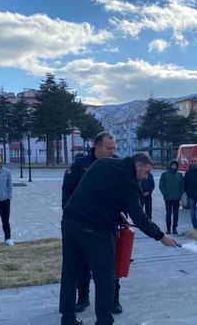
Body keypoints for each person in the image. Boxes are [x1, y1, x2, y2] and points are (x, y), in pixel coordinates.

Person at [59, 153, 179, 325]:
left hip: (70, 222)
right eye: (146, 172)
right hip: (96, 231)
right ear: (138, 166)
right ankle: (104, 321)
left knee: (70, 273)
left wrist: (116, 213)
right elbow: (139, 217)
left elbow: (97, 194)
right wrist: (160, 236)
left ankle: (67, 319)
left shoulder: (103, 164)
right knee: (105, 277)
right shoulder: (129, 181)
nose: (146, 177)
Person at [61, 132, 118, 314]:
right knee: (82, 266)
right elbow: (67, 195)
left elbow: (122, 193)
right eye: (109, 148)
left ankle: (113, 300)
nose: (112, 152)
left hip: (107, 226)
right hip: (83, 227)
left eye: (114, 148)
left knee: (110, 267)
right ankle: (83, 298)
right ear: (97, 146)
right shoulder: (80, 166)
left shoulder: (116, 165)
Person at [159, 159, 184, 235]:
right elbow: (161, 185)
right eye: (172, 165)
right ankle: (168, 229)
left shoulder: (179, 175)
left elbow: (182, 186)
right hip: (168, 198)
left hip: (176, 198)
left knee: (176, 214)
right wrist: (165, 194)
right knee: (168, 214)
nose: (174, 166)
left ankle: (174, 228)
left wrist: (180, 194)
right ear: (170, 166)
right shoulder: (165, 174)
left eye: (175, 165)